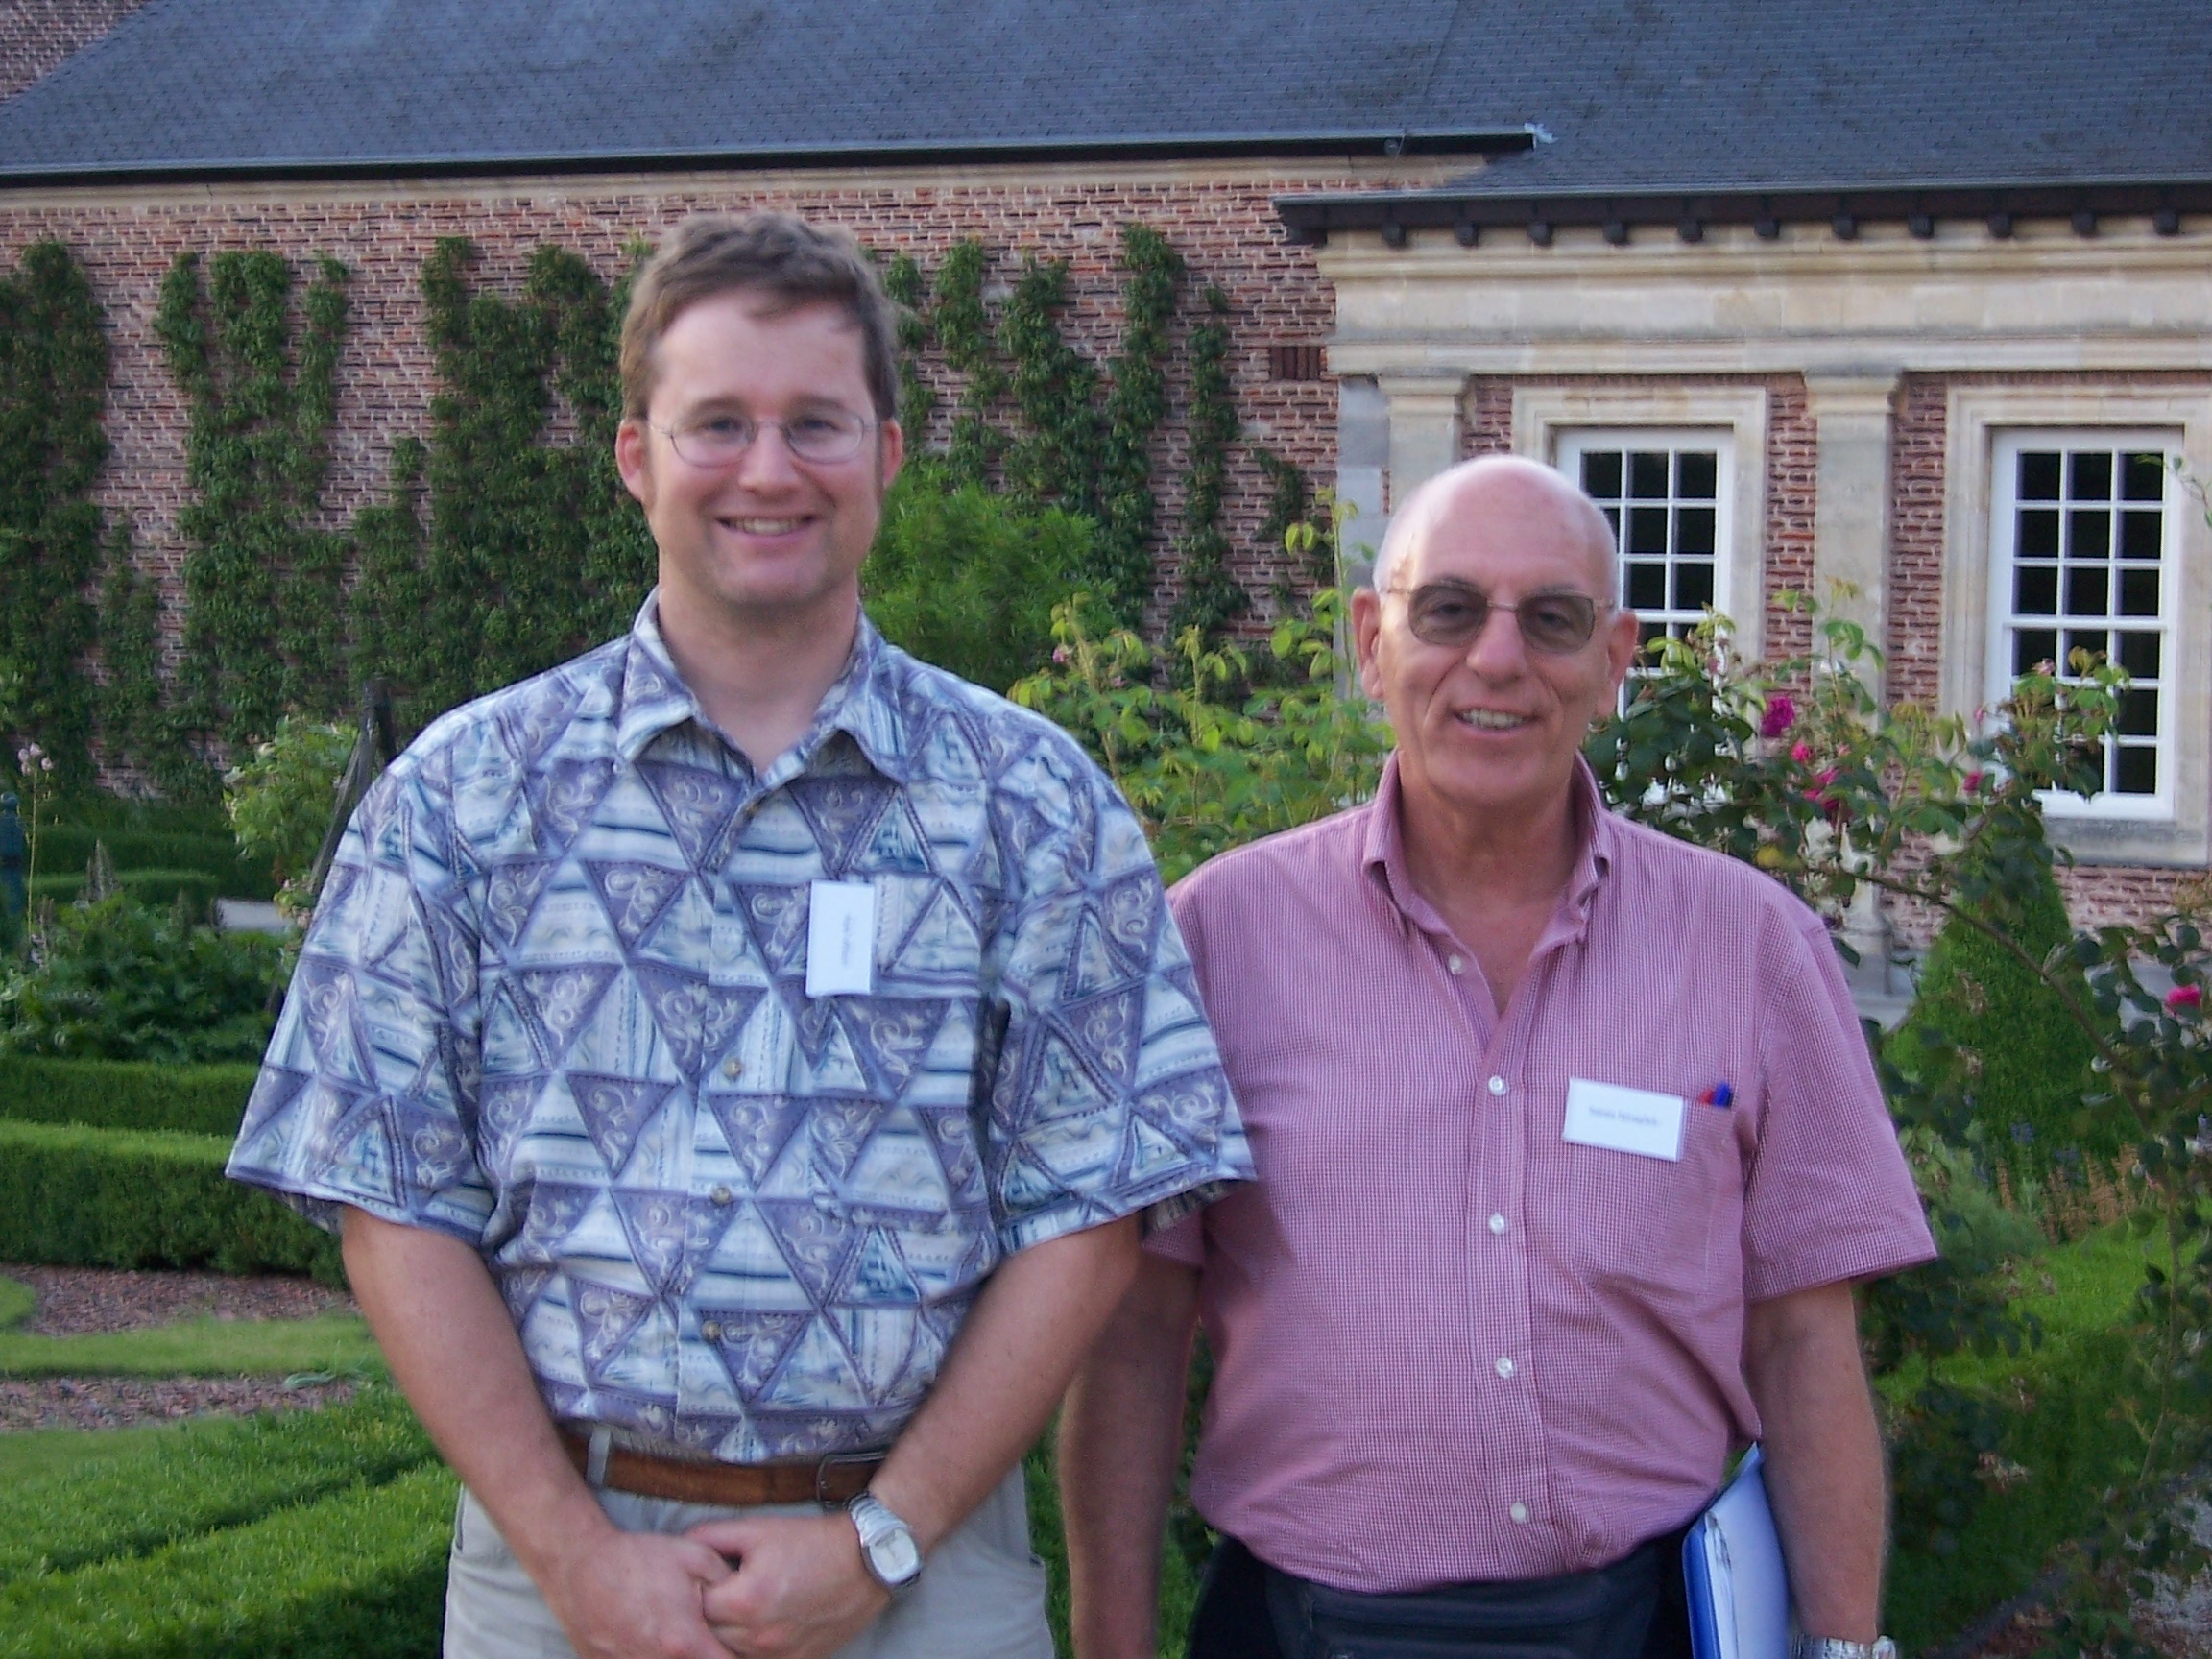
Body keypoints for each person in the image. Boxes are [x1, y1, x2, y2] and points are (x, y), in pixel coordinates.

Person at [228, 210, 1251, 1659]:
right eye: (717, 424)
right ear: (636, 457)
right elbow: (391, 1202)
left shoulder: (1034, 804)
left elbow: (1090, 1210)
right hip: (555, 1573)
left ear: (885, 456)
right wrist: (573, 1554)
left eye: (815, 424)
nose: (768, 470)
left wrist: (883, 1535)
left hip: (928, 1572)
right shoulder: (465, 796)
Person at [1059, 455, 1936, 1659]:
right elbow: (1135, 1329)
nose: (1499, 658)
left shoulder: (1752, 951)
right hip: (1303, 1630)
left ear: (1614, 661)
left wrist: (1843, 1649)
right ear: (1372, 643)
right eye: (1450, 609)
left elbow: (1804, 1341)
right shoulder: (1216, 938)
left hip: (1643, 1626)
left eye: (1553, 619)